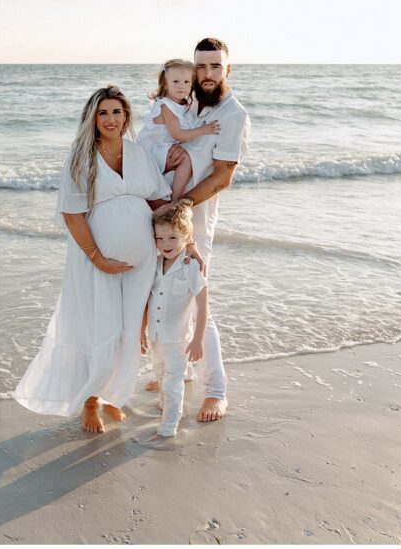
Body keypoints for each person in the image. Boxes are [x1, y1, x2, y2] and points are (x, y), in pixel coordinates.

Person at [14, 85, 177, 434]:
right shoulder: (81, 158)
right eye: (103, 112)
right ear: (92, 118)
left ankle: (110, 396)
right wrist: (97, 258)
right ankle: (88, 401)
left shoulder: (137, 153)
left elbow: (157, 201)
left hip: (142, 259)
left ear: (126, 116)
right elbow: (73, 214)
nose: (110, 119)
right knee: (99, 326)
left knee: (130, 330)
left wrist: (182, 240)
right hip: (95, 259)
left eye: (117, 112)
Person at [153, 37, 251, 423]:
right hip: (170, 214)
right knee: (168, 294)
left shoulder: (232, 114)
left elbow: (223, 176)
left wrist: (180, 208)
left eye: (215, 66)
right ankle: (183, 369)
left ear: (228, 69)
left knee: (195, 299)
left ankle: (216, 391)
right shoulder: (189, 101)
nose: (207, 74)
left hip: (194, 218)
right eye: (201, 67)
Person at [139, 201, 208, 438]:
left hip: (178, 339)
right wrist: (142, 331)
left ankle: (168, 427)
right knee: (159, 374)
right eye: (159, 238)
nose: (165, 244)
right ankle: (164, 404)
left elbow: (202, 304)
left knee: (172, 383)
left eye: (172, 237)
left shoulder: (190, 267)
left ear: (186, 237)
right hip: (156, 336)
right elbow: (148, 301)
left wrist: (198, 340)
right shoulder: (156, 264)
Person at [136, 59, 220, 200]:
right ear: (165, 84)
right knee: (186, 158)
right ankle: (176, 198)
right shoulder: (166, 106)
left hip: (164, 145)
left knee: (188, 156)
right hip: (152, 149)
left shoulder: (181, 104)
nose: (182, 86)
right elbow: (178, 134)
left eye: (186, 82)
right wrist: (203, 130)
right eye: (176, 82)